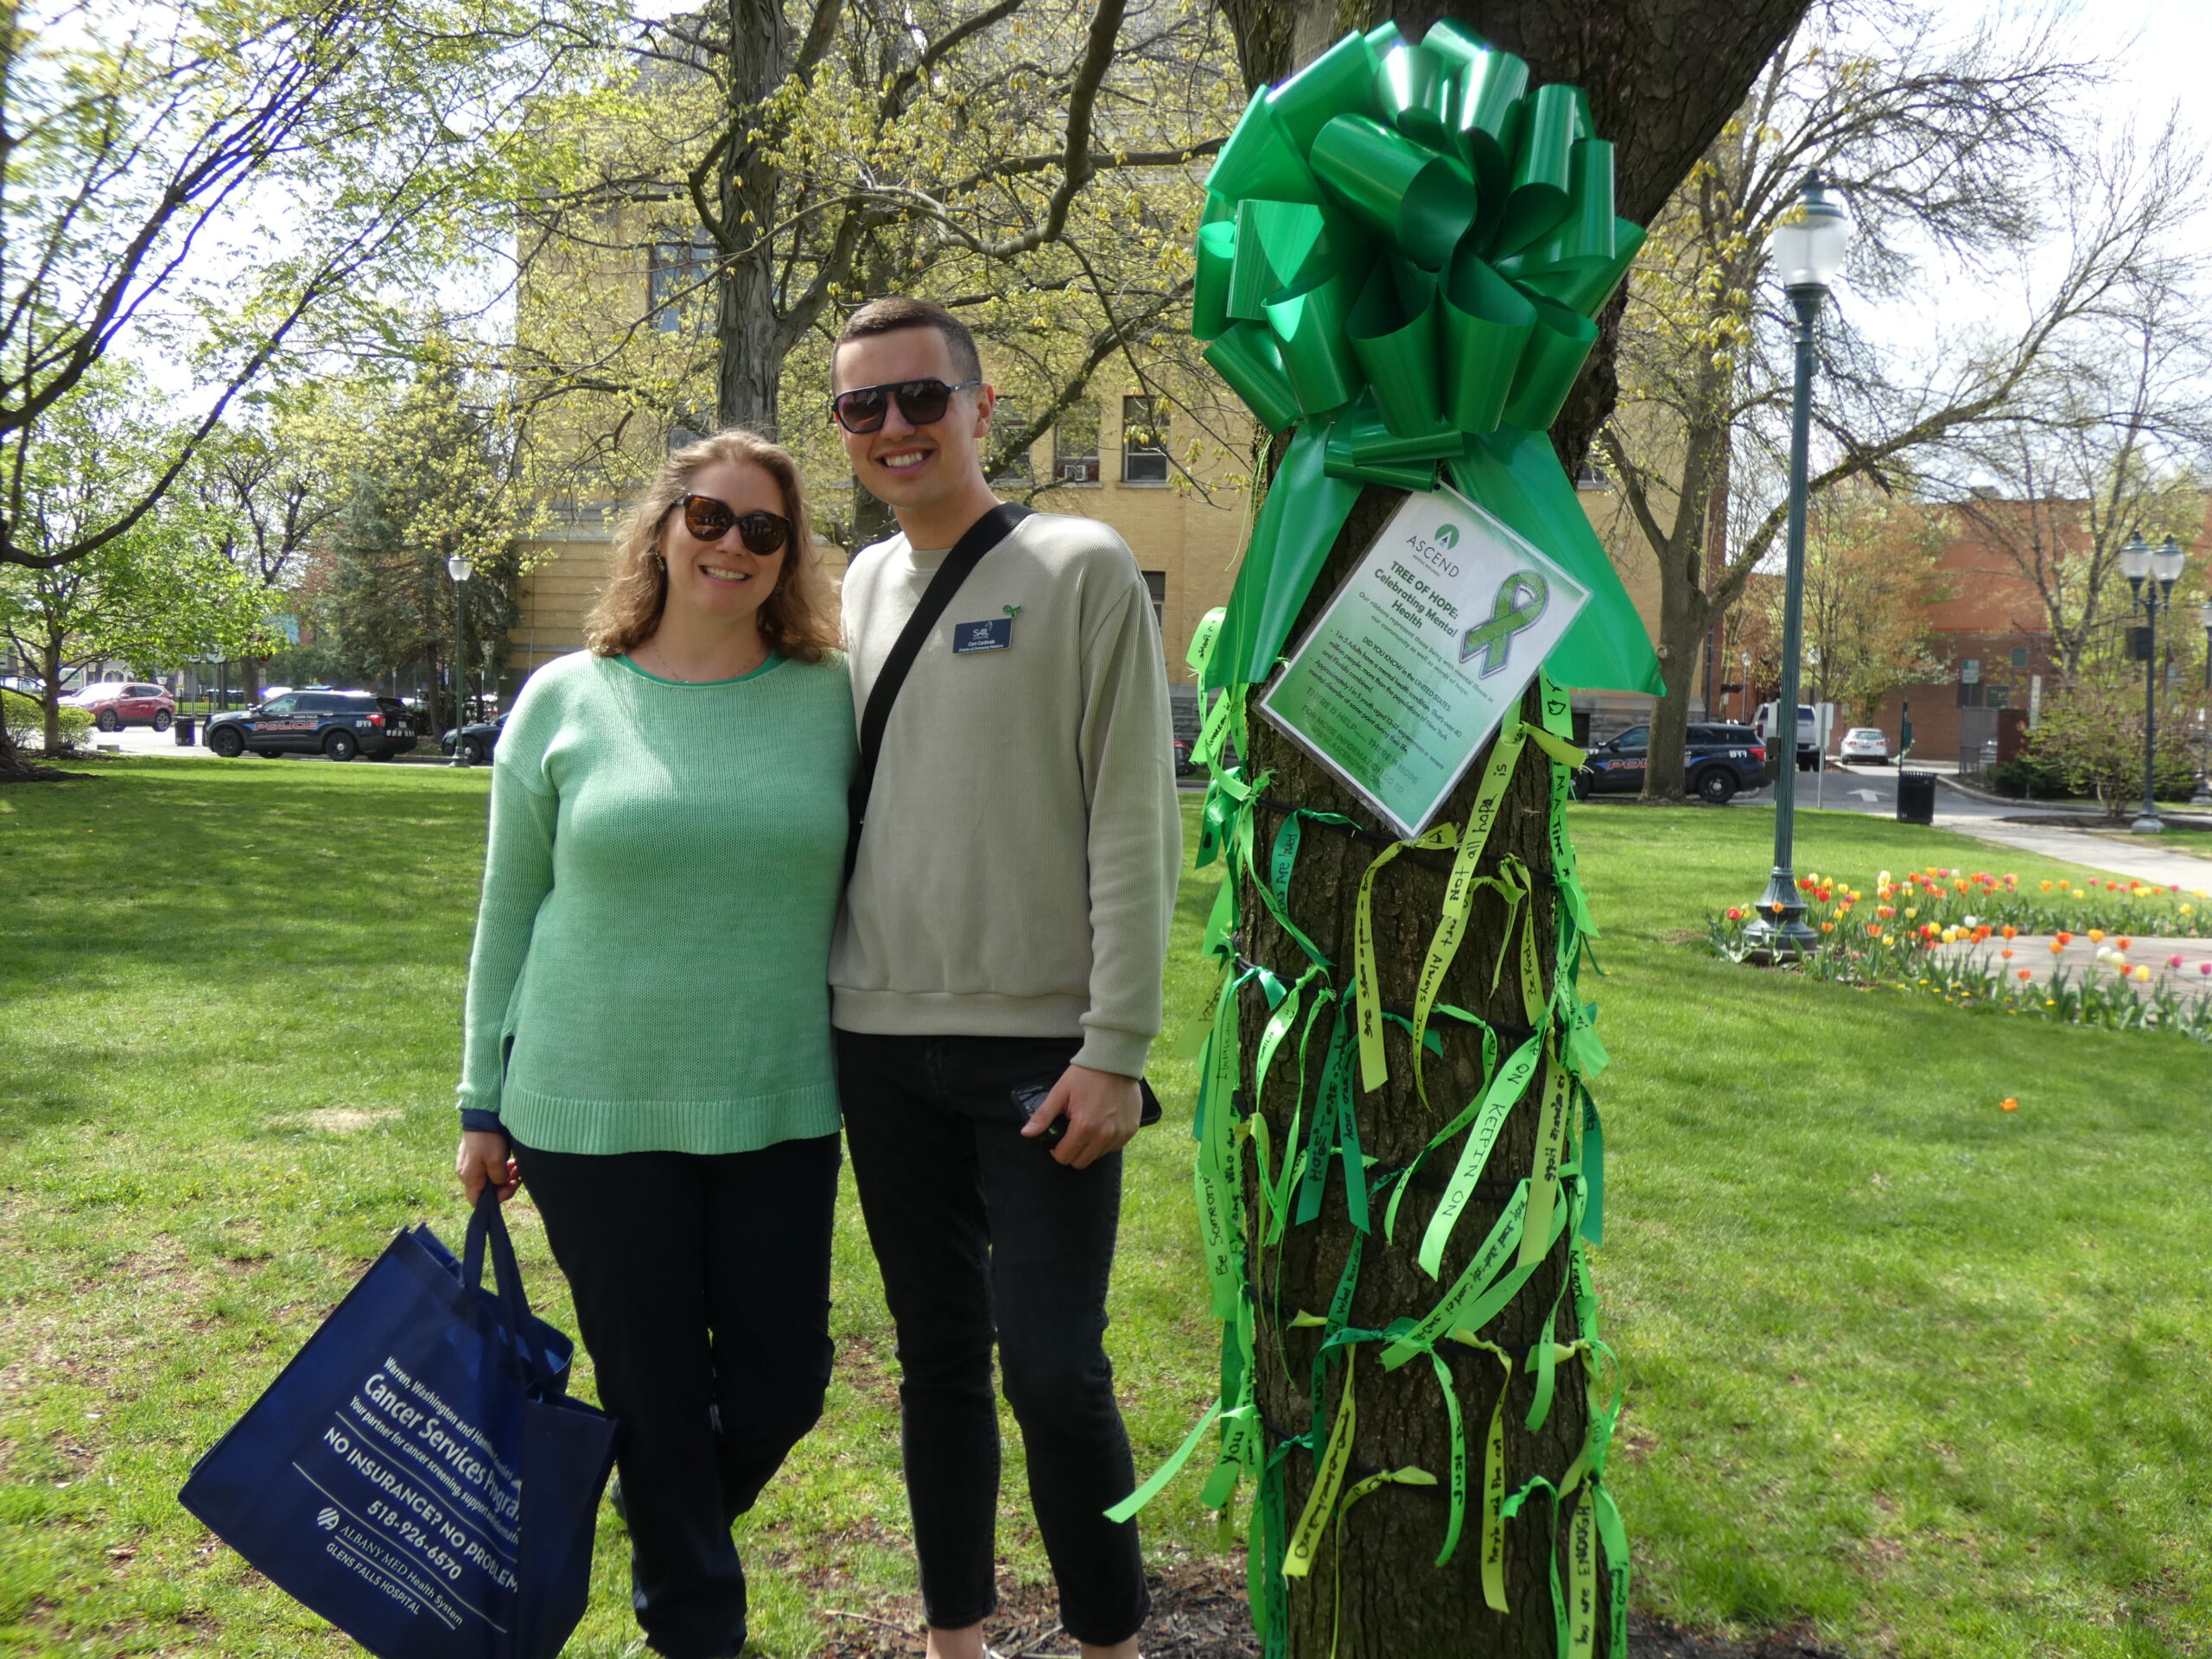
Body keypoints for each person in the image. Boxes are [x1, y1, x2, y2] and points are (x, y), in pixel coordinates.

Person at [452, 429, 854, 1659]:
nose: (732, 544)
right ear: (664, 529)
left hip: (778, 1101)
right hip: (589, 1105)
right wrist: (479, 1099)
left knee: (783, 1388)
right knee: (655, 1389)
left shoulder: (831, 700)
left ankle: (658, 1505)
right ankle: (694, 1628)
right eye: (708, 517)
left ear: (789, 553)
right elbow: (510, 908)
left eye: (762, 528)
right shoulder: (566, 696)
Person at [828, 296, 1181, 1659]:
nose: (895, 426)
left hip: (1045, 1052)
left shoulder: (1081, 564)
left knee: (1051, 1366)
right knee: (936, 1362)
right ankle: (954, 1638)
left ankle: (1109, 1639)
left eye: (921, 397)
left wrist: (1118, 1044)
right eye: (863, 406)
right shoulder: (859, 585)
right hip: (877, 1040)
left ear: (980, 407)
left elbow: (1133, 820)